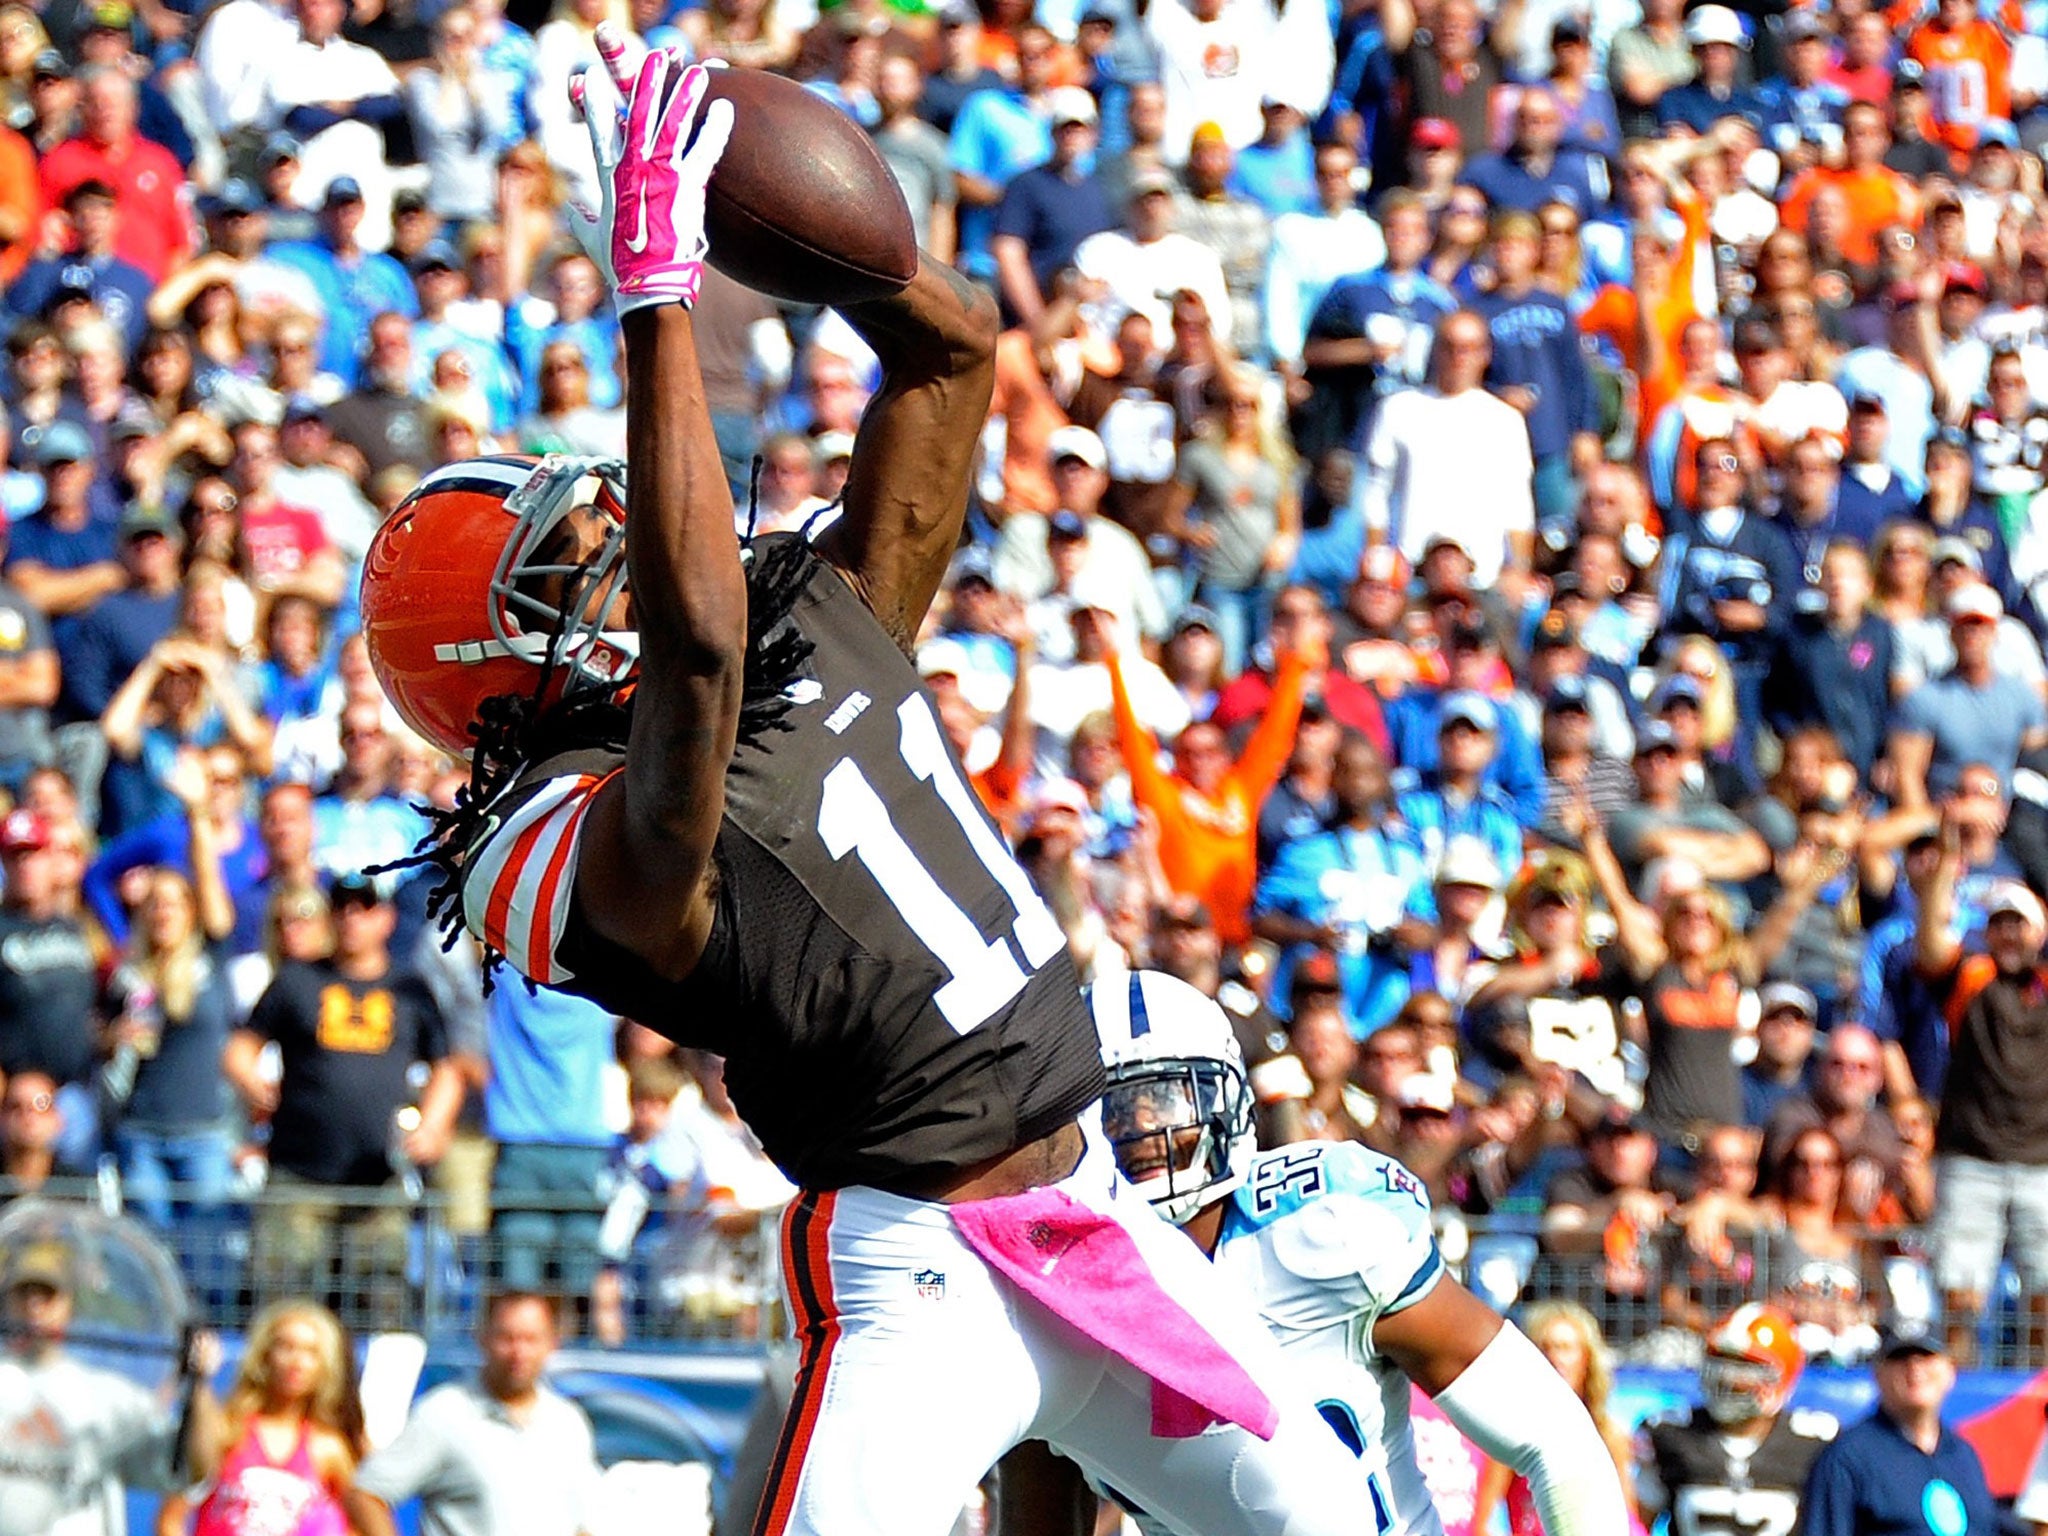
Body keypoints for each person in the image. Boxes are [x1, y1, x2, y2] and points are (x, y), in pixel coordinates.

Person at [359, 39, 1372, 1536]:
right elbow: (696, 665)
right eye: (570, 571)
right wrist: (659, 302)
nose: (618, 559)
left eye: (602, 532)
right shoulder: (544, 845)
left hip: (1092, 1209)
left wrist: (819, 241)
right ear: (492, 673)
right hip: (916, 1275)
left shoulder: (799, 619)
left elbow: (955, 359)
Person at [1080, 971, 1632, 1536]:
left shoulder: (1323, 1232)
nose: (1143, 1130)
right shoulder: (1054, 1292)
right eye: (1111, 1110)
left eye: (1165, 1098)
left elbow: (1558, 1437)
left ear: (1226, 1101)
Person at [346, 1291, 600, 1536]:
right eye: (507, 1338)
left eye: (531, 1339)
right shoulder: (445, 1413)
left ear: (553, 1343)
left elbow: (583, 1522)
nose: (519, 1352)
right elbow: (366, 1494)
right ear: (483, 1338)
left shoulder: (568, 1422)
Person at [0, 1240, 193, 1532]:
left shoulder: (105, 1393)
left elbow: (179, 1468)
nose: (34, 1307)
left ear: (69, 1306)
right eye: (24, 1294)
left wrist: (199, 1384)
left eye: (47, 1295)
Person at [1636, 1305, 1831, 1536]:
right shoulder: (1671, 1433)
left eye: (1743, 1366)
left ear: (1780, 1377)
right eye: (1720, 1360)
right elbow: (1634, 1524)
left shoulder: (1814, 1443)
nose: (1726, 1377)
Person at [1799, 1319, 1997, 1536]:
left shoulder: (1963, 1455)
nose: (1914, 1368)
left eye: (1927, 1356)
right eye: (1900, 1358)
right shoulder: (1847, 1459)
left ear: (1950, 1370)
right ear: (1878, 1373)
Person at [186, 1301, 362, 1536]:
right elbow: (171, 1518)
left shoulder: (329, 1448)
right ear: (264, 1355)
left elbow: (363, 1522)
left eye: (311, 1352)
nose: (296, 1362)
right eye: (285, 1347)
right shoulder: (226, 1431)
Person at [1469, 1301, 1642, 1536]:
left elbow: (1628, 1518)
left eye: (1565, 1348)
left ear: (1587, 1359)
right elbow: (1481, 1522)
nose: (1555, 1358)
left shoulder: (1609, 1434)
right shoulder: (1514, 1432)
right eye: (1546, 1348)